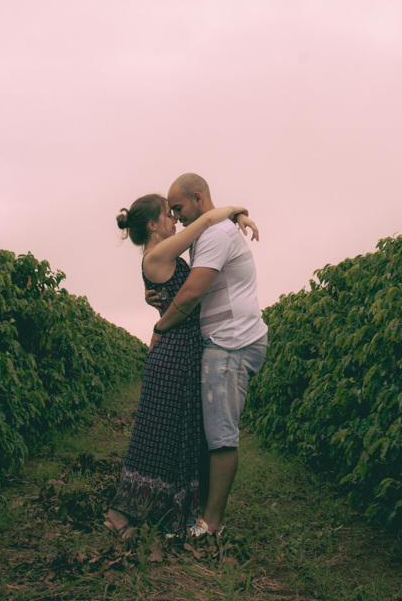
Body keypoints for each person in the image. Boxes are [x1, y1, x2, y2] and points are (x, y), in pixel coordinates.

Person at [105, 194, 256, 540]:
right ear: (152, 226)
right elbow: (205, 221)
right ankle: (119, 513)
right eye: (167, 215)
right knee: (155, 436)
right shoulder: (159, 254)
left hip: (182, 350)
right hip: (173, 353)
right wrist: (238, 210)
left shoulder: (160, 256)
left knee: (172, 435)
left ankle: (163, 508)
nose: (174, 220)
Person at [148, 173, 267, 541]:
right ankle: (201, 514)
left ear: (198, 199)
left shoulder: (214, 236)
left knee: (221, 436)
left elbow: (190, 294)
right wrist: (238, 212)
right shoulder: (210, 231)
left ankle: (211, 525)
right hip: (225, 340)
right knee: (211, 432)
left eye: (178, 208)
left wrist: (160, 327)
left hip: (231, 342)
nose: (176, 216)